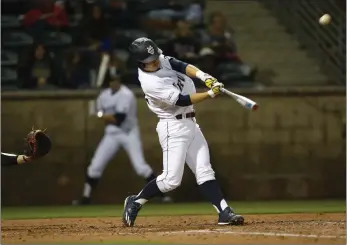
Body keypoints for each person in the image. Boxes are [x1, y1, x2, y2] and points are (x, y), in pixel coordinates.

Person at [122, 37, 244, 227]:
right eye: (151, 61)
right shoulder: (149, 82)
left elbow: (180, 64)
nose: (156, 62)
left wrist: (205, 77)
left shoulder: (159, 59)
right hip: (173, 127)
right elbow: (182, 100)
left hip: (191, 123)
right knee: (171, 180)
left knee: (205, 171)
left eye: (155, 58)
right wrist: (210, 93)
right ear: (140, 63)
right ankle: (136, 201)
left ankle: (224, 212)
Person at [73, 70, 172, 205]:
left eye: (117, 80)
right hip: (111, 134)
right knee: (94, 167)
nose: (115, 82)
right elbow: (95, 109)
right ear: (109, 82)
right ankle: (85, 198)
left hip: (128, 133)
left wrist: (101, 115)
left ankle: (162, 195)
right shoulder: (104, 95)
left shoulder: (126, 94)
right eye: (112, 80)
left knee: (140, 167)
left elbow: (119, 119)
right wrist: (99, 113)